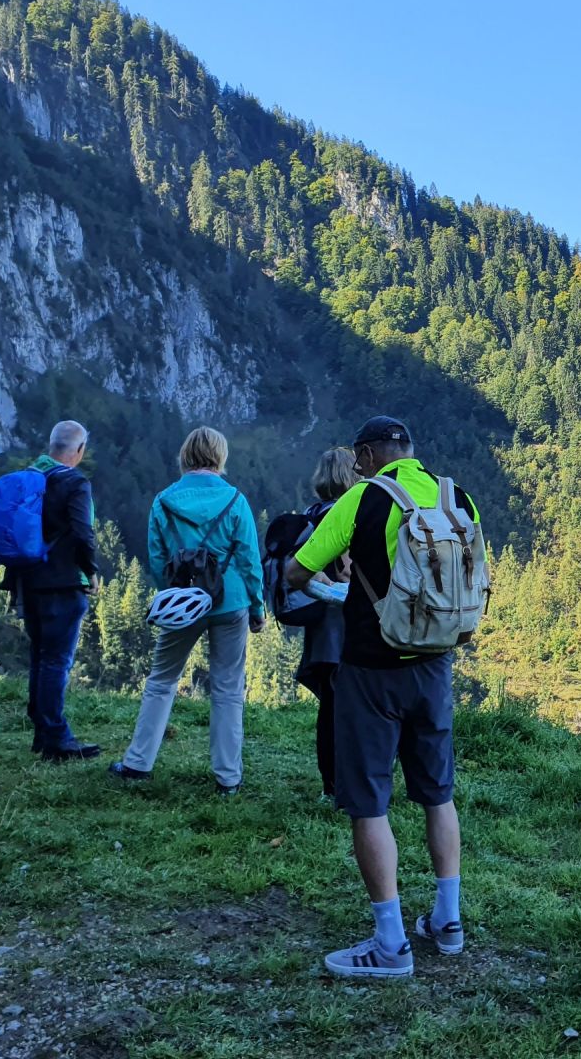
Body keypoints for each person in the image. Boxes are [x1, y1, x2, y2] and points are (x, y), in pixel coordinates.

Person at [285, 416, 482, 979]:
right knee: (437, 794)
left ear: (368, 454)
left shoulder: (362, 500)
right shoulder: (457, 495)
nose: (357, 465)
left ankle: (390, 943)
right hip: (435, 666)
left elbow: (299, 571)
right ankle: (448, 921)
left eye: (358, 457)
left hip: (370, 671)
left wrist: (333, 583)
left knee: (368, 803)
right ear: (410, 451)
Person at [109, 427, 265, 795]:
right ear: (220, 456)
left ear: (185, 456)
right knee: (227, 689)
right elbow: (249, 560)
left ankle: (137, 763)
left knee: (162, 680)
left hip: (183, 603)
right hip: (230, 603)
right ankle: (228, 778)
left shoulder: (164, 501)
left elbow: (158, 557)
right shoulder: (235, 500)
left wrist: (175, 598)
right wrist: (257, 606)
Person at [6, 420, 103, 762]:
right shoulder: (75, 483)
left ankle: (42, 731)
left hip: (26, 581)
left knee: (40, 656)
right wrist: (91, 571)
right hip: (61, 583)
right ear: (79, 451)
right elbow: (82, 532)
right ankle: (56, 738)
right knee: (56, 661)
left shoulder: (29, 477)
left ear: (51, 446)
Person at [296, 447, 359, 803]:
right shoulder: (346, 515)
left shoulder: (310, 514)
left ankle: (330, 785)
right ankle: (345, 786)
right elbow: (348, 570)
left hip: (319, 624)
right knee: (348, 707)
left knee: (329, 709)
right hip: (345, 624)